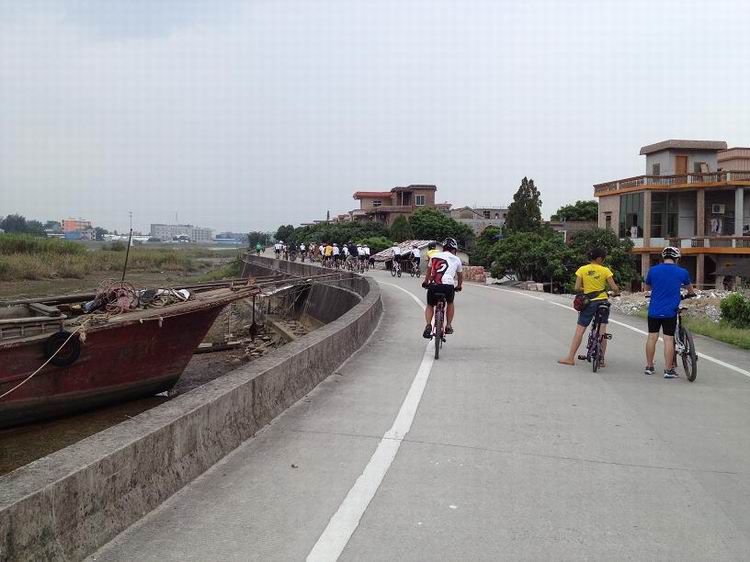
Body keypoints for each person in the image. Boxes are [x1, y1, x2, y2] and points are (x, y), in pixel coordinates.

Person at [558, 247, 620, 366]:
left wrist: (586, 288)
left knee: (580, 330)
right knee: (602, 331)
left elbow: (576, 288)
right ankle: (601, 360)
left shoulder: (582, 269)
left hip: (589, 303)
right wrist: (616, 293)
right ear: (599, 259)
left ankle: (570, 358)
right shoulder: (605, 270)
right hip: (603, 303)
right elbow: (614, 288)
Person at [643, 247, 695, 378]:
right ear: (676, 258)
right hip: (670, 311)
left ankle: (649, 367)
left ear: (663, 257)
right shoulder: (682, 272)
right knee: (668, 339)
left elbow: (646, 288)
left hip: (654, 310)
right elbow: (690, 290)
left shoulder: (653, 270)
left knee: (652, 337)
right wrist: (689, 294)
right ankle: (668, 370)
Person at [422, 238, 463, 338]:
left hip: (434, 285)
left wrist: (426, 282)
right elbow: (460, 276)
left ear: (443, 248)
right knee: (450, 303)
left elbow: (429, 271)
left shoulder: (434, 256)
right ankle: (448, 325)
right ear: (454, 249)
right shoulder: (456, 259)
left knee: (430, 305)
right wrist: (459, 286)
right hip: (448, 286)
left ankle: (428, 325)